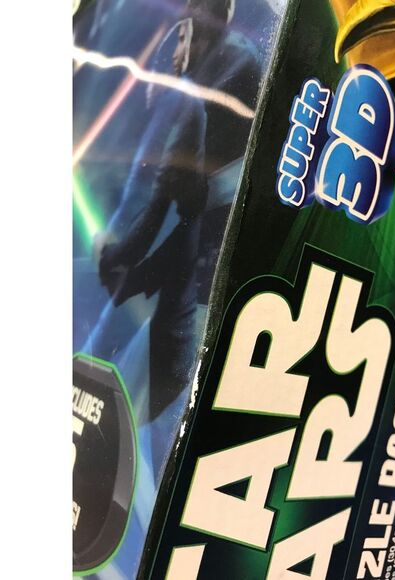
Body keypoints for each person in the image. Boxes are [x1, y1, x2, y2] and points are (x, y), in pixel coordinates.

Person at [99, 0, 261, 436]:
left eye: (184, 36)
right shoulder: (214, 77)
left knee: (139, 405)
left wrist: (123, 262)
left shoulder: (224, 75)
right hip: (207, 264)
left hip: (214, 285)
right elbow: (176, 210)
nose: (174, 53)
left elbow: (166, 204)